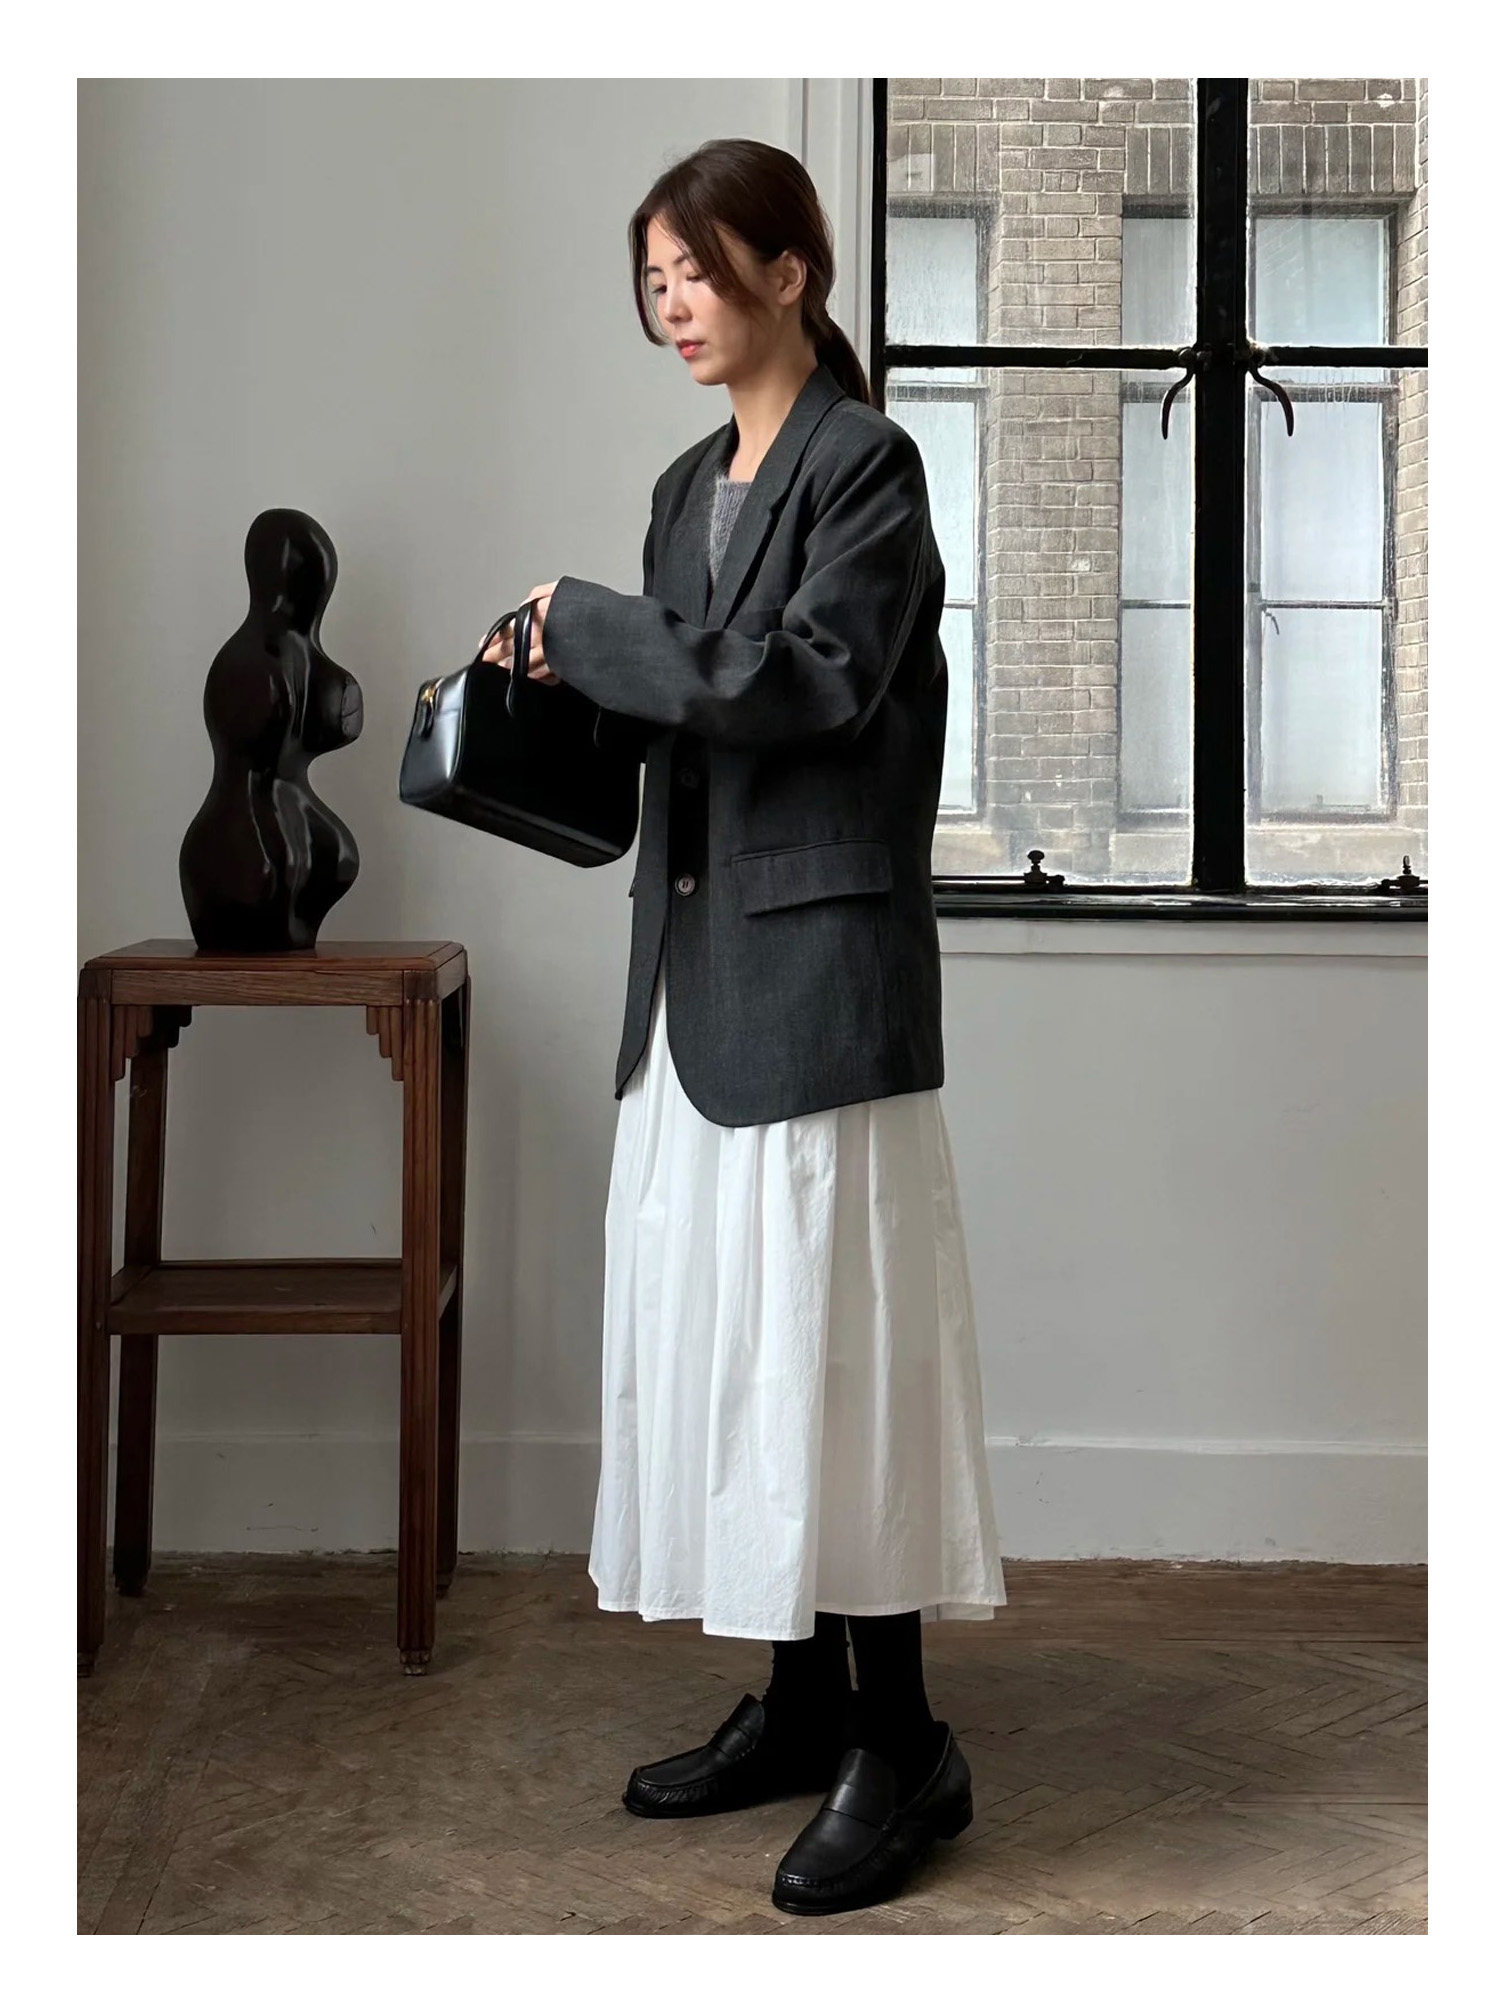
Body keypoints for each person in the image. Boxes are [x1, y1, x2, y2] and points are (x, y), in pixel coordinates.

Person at [483, 137, 1007, 1919]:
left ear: (792, 271)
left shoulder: (870, 469)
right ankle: (800, 1705)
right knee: (741, 1349)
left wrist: (606, 632)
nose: (674, 306)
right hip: (690, 981)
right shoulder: (679, 487)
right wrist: (548, 677)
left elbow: (812, 684)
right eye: (654, 282)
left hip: (819, 981)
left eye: (698, 270)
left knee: (835, 1357)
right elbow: (678, 725)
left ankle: (904, 1742)